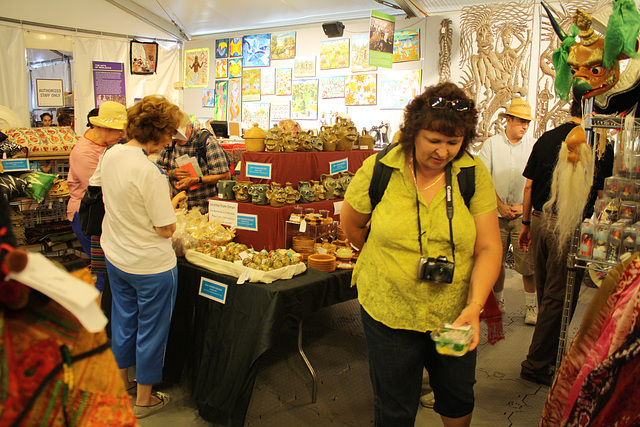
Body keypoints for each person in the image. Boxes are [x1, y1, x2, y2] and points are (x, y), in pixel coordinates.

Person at [341, 82, 502, 426]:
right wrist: (381, 256)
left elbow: (488, 246)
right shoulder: (380, 168)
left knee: (456, 394)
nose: (443, 152)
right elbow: (353, 227)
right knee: (395, 405)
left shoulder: (472, 174)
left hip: (455, 310)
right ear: (414, 130)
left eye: (453, 143)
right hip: (390, 308)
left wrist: (474, 307)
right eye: (434, 140)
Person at [90, 95, 181, 418]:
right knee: (152, 329)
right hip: (151, 265)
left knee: (123, 321)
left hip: (116, 256)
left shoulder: (111, 154)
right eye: (169, 133)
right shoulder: (150, 173)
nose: (171, 140)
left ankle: (122, 382)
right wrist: (173, 207)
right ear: (155, 132)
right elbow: (165, 229)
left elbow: (97, 186)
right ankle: (144, 399)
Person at [518, 99, 593, 386]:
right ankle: (537, 364)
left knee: (546, 291)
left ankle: (545, 357)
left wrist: (526, 223)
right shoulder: (595, 143)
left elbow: (530, 184)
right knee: (558, 297)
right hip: (567, 225)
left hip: (538, 219)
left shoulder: (546, 137)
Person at [478, 98, 537, 324]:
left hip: (524, 217)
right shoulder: (492, 145)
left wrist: (524, 207)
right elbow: (483, 179)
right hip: (496, 215)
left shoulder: (533, 145)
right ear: (508, 120)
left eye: (527, 123)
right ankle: (498, 302)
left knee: (527, 265)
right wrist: (499, 205)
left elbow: (537, 181)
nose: (524, 126)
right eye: (521, 121)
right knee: (496, 263)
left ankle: (531, 307)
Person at [66, 102, 126, 292]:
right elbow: (103, 189)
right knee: (104, 271)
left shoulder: (107, 145)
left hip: (101, 212)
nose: (122, 136)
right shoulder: (84, 153)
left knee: (108, 270)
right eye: (119, 131)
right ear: (105, 129)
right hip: (88, 215)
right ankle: (104, 317)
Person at [156, 115, 230, 212]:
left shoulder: (207, 141)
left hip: (205, 208)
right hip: (178, 209)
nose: (178, 139)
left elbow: (225, 176)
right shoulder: (170, 144)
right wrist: (171, 173)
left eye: (182, 135)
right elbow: (157, 173)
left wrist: (197, 180)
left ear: (190, 126)